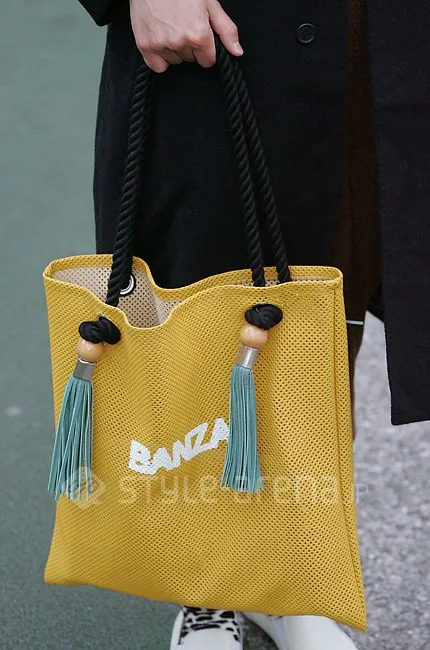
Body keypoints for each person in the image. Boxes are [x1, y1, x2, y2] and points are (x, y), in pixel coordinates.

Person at [76, 0, 430, 648]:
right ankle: (207, 587)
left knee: (329, 290)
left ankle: (290, 575)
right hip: (224, 29)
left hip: (382, 28)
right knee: (200, 285)